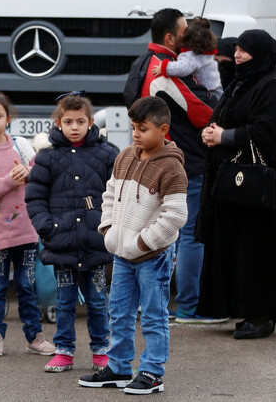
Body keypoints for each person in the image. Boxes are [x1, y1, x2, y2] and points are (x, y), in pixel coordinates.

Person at [197, 30, 276, 339]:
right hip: (241, 190)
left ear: (262, 54)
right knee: (242, 252)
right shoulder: (246, 82)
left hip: (262, 193)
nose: (239, 55)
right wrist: (211, 132)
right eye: (238, 49)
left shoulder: (274, 86)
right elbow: (230, 116)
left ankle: (262, 315)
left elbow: (269, 132)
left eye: (246, 51)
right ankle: (249, 312)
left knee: (260, 252)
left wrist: (223, 137)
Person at [79, 96, 187, 395]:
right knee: (120, 311)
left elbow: (176, 215)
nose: (136, 134)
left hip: (153, 256)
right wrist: (109, 230)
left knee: (153, 315)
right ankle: (119, 367)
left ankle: (152, 372)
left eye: (142, 128)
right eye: (133, 128)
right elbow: (110, 194)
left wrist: (143, 242)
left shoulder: (172, 168)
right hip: (122, 254)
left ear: (163, 130)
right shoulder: (125, 156)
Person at [123, 8, 222, 324]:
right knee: (188, 232)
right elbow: (200, 111)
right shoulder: (165, 73)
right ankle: (189, 307)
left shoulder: (141, 64)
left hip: (149, 161)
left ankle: (148, 304)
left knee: (151, 228)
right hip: (183, 161)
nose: (189, 37)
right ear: (169, 37)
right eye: (183, 32)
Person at [26, 93, 118, 373]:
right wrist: (47, 228)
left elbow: (118, 193)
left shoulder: (107, 153)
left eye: (81, 121)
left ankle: (102, 351)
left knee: (97, 302)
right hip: (62, 243)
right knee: (64, 302)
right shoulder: (47, 157)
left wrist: (110, 227)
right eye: (68, 121)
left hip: (96, 242)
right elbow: (35, 197)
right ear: (58, 123)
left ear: (91, 123)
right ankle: (64, 351)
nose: (75, 127)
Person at [0, 91, 55, 358]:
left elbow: (38, 176)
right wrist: (10, 180)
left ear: (9, 118)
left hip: (26, 232)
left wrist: (29, 172)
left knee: (28, 287)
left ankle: (35, 338)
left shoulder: (20, 146)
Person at [151, 17, 222, 98]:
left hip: (209, 93)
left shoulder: (192, 56)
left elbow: (182, 68)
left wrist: (165, 68)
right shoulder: (206, 53)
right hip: (217, 88)